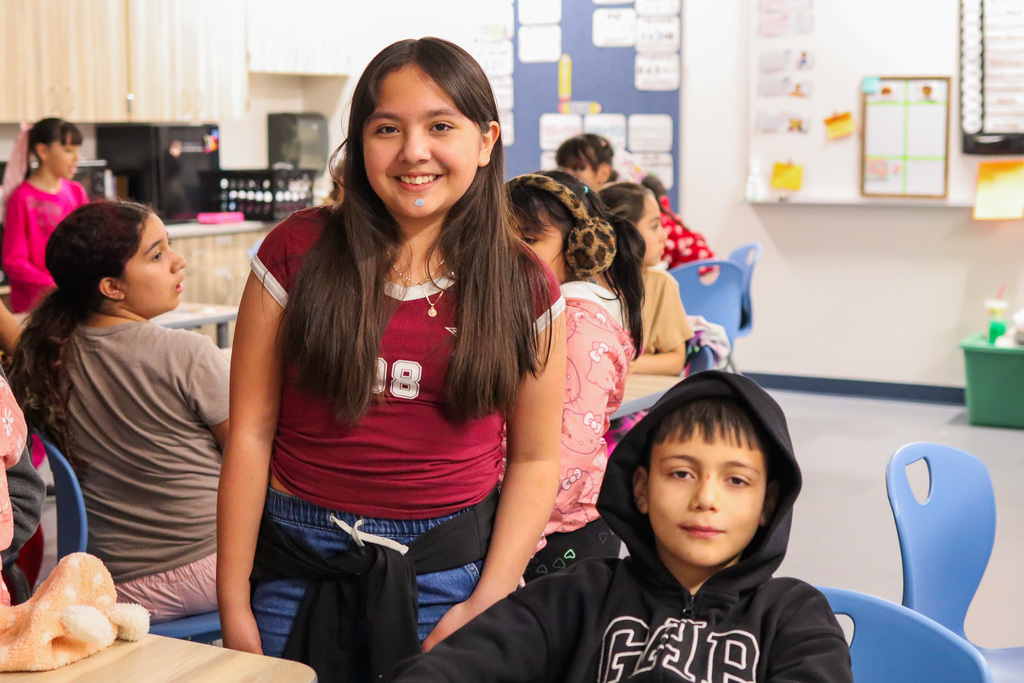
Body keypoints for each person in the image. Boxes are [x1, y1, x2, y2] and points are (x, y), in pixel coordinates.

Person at [217, 37, 566, 683]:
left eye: (441, 126)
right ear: (359, 143)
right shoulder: (295, 251)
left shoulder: (522, 283)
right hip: (296, 561)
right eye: (387, 128)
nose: (413, 151)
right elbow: (251, 433)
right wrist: (234, 600)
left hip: (448, 574)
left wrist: (487, 596)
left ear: (485, 141)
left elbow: (536, 457)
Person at [394, 370, 854, 682]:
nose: (705, 499)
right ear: (640, 488)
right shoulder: (576, 596)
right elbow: (457, 668)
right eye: (681, 473)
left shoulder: (794, 617)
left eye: (736, 480)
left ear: (767, 505)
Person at [8, 200, 229, 622]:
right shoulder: (187, 353)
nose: (178, 262)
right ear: (111, 287)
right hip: (210, 571)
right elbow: (253, 460)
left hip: (111, 582)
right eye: (158, 254)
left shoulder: (49, 358)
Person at [506, 171, 644, 580]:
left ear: (581, 249)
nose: (510, 252)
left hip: (557, 535)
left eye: (530, 240)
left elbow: (569, 458)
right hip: (525, 525)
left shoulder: (578, 328)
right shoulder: (533, 310)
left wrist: (509, 544)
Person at [601, 182, 693, 376]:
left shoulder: (661, 284)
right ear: (622, 232)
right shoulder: (582, 286)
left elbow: (676, 360)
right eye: (654, 226)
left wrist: (627, 364)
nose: (664, 234)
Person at [1, 118, 89, 313]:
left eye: (77, 150)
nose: (77, 158)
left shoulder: (76, 192)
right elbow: (14, 262)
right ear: (43, 151)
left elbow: (89, 242)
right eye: (68, 150)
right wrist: (55, 285)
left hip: (73, 300)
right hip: (36, 306)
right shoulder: (22, 198)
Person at [640, 173, 716, 269]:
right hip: (715, 268)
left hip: (700, 273)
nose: (663, 236)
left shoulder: (663, 221)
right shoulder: (671, 216)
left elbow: (658, 259)